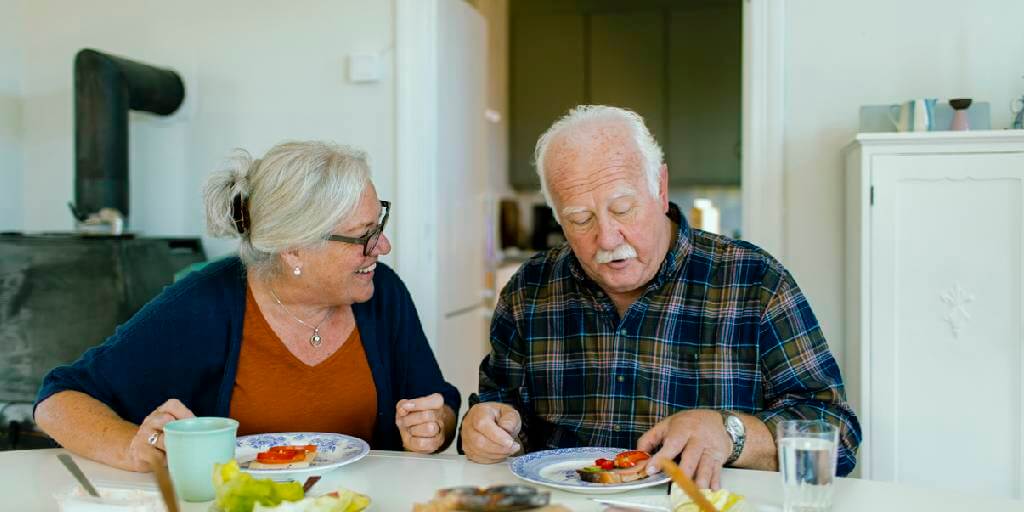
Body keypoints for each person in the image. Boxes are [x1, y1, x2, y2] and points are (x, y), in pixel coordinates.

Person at [460, 106, 861, 487]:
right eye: (580, 219)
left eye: (623, 208)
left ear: (661, 188)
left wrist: (731, 434)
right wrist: (490, 428)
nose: (607, 238)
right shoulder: (529, 290)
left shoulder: (753, 281)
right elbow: (502, 414)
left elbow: (837, 437)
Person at [35, 141, 459, 472]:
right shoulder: (204, 303)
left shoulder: (382, 293)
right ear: (293, 249)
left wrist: (434, 424)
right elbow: (59, 399)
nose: (381, 246)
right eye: (362, 235)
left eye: (378, 224)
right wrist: (130, 448)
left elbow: (437, 403)